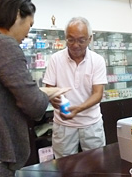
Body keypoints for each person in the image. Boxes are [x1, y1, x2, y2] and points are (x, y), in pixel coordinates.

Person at [0, 0, 50, 176]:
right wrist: (47, 93)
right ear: (17, 14)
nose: (27, 32)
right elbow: (35, 105)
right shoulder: (3, 44)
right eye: (30, 24)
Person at [43, 17, 107, 158]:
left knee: (96, 163)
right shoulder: (56, 59)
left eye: (81, 40)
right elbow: (50, 89)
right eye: (70, 40)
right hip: (63, 124)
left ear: (90, 39)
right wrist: (55, 100)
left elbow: (98, 94)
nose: (75, 45)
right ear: (65, 38)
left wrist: (78, 109)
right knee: (64, 166)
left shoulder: (97, 60)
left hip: (91, 123)